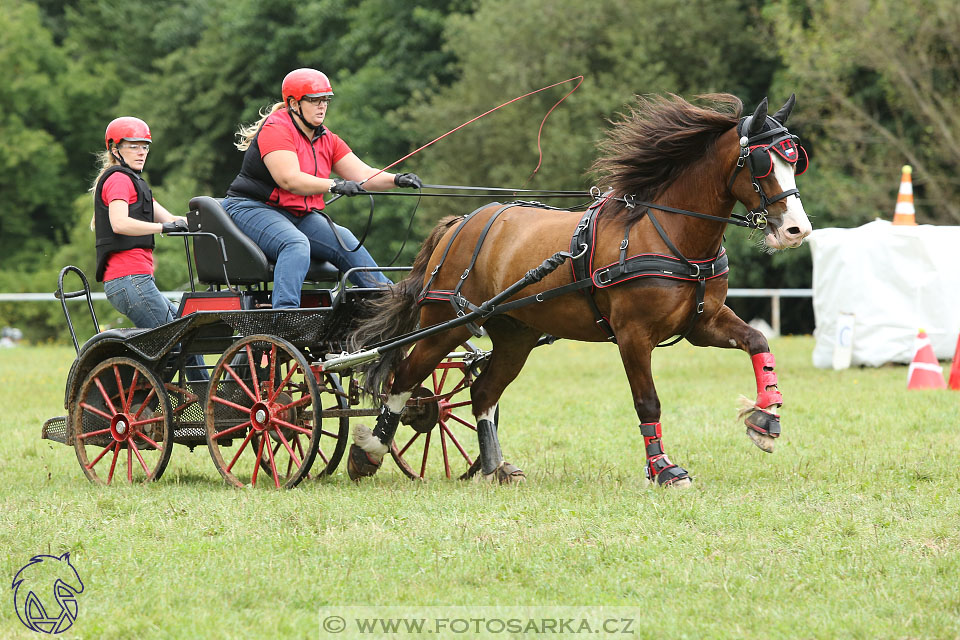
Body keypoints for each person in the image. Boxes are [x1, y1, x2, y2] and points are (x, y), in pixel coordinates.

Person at [223, 67, 423, 308]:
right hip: (252, 208)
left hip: (296, 213)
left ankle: (392, 302)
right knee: (294, 244)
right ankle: (285, 316)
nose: (322, 106)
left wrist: (396, 180)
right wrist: (334, 184)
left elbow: (363, 175)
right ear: (294, 103)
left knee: (346, 240)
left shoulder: (326, 138)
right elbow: (290, 180)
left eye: (325, 100)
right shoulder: (277, 129)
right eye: (314, 100)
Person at [91, 116, 208, 382]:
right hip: (128, 280)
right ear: (115, 149)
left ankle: (209, 404)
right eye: (133, 146)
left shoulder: (136, 183)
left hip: (136, 282)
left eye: (145, 146)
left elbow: (175, 220)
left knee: (186, 338)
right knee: (176, 342)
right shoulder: (119, 180)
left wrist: (220, 220)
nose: (141, 151)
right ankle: (202, 405)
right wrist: (162, 230)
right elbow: (119, 223)